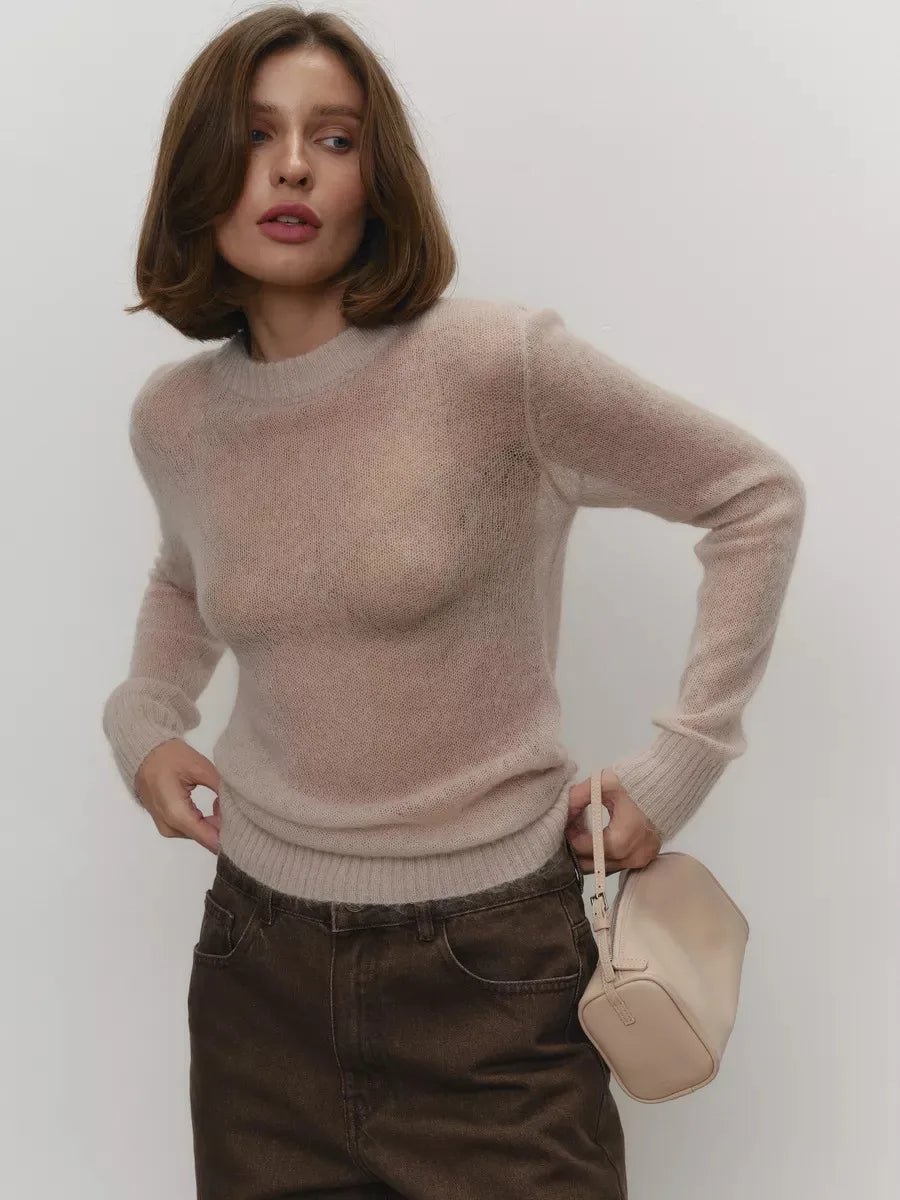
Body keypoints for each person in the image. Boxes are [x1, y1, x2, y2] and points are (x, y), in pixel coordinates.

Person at [101, 6, 806, 1198]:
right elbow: (185, 580)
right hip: (257, 974)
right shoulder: (175, 418)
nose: (292, 167)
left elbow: (752, 497)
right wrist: (144, 722)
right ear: (198, 174)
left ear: (376, 180)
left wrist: (682, 759)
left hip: (495, 971)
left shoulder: (496, 365)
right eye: (257, 135)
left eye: (334, 138)